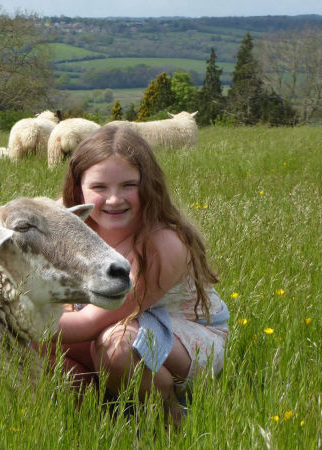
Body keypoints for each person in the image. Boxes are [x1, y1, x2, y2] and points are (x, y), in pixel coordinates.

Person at [40, 125, 229, 424]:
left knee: (116, 347)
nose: (114, 199)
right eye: (100, 188)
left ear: (148, 185)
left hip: (184, 341)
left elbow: (89, 322)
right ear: (79, 188)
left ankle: (169, 416)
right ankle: (100, 415)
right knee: (31, 348)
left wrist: (13, 317)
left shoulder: (161, 243)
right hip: (106, 333)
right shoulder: (70, 223)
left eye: (128, 185)